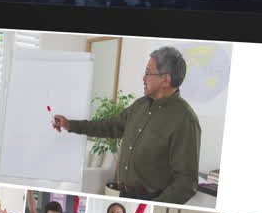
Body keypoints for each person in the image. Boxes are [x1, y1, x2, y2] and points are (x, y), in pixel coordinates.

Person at [51, 46, 201, 204]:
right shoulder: (140, 106)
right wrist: (70, 125)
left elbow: (186, 184)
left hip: (150, 200)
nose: (143, 78)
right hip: (124, 195)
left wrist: (153, 205)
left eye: (148, 73)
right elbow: (109, 126)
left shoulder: (185, 120)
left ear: (165, 79)